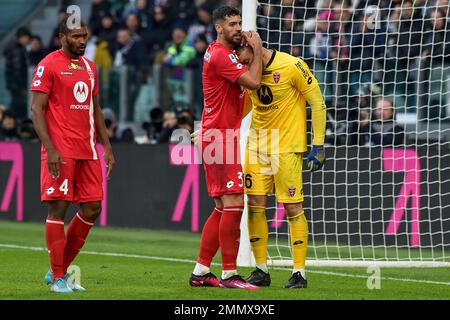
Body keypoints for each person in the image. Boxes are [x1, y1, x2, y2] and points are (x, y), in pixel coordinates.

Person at [30, 17, 115, 293]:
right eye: (77, 36)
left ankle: (58, 270)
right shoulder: (48, 65)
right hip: (61, 150)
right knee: (59, 208)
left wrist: (107, 147)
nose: (82, 41)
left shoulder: (90, 68)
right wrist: (50, 148)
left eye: (85, 36)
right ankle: (58, 278)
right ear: (62, 37)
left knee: (92, 207)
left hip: (88, 149)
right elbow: (36, 110)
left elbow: (96, 108)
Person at [234, 38, 327, 288]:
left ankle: (299, 273)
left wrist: (318, 146)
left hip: (287, 148)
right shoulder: (248, 72)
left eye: (244, 59)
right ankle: (261, 269)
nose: (242, 65)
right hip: (257, 146)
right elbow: (241, 108)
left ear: (254, 48)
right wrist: (211, 127)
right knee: (253, 204)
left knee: (292, 207)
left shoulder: (292, 65)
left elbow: (317, 102)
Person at [189, 5, 263, 290]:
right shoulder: (221, 55)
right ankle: (230, 274)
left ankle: (200, 272)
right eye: (232, 23)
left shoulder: (221, 53)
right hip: (220, 139)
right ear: (218, 27)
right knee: (233, 202)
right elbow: (254, 83)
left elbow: (237, 102)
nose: (238, 27)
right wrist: (255, 50)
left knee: (222, 206)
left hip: (218, 135)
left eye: (239, 22)